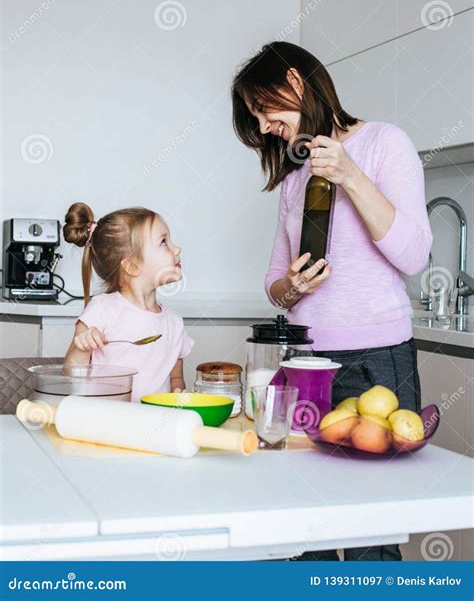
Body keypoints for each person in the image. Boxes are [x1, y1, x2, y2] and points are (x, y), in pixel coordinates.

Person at [232, 41, 432, 561]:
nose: (265, 126)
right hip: (306, 363)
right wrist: (291, 290)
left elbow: (413, 255)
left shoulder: (385, 142)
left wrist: (350, 175)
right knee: (303, 524)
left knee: (371, 528)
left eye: (265, 109)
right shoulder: (294, 177)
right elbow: (275, 281)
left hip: (377, 362)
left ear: (296, 83)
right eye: (255, 118)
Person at [63, 203, 193, 402]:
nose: (177, 249)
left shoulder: (174, 323)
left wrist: (178, 394)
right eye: (164, 242)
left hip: (154, 424)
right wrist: (81, 347)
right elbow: (73, 375)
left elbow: (176, 378)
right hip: (106, 424)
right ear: (132, 266)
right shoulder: (102, 310)